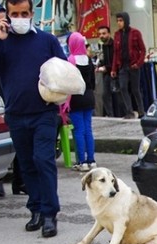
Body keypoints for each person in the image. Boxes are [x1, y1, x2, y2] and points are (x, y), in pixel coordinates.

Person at [0, 0, 66, 237]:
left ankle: (50, 214)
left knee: (43, 161)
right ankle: (36, 209)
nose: (20, 17)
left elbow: (64, 71)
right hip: (16, 114)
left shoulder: (47, 41)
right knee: (27, 165)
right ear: (7, 16)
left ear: (32, 14)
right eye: (14, 13)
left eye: (24, 13)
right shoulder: (1, 43)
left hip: (44, 113)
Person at [0, 4, 25, 197]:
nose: (2, 24)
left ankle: (20, 180)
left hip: (9, 92)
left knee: (17, 137)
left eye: (5, 19)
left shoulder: (13, 40)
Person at [61, 32, 96, 172]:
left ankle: (82, 161)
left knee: (79, 130)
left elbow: (67, 82)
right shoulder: (89, 60)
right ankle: (92, 160)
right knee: (88, 129)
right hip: (89, 97)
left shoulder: (71, 60)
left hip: (75, 98)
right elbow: (93, 83)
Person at [111, 12, 146, 119]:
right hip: (122, 66)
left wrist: (138, 63)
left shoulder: (135, 33)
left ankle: (141, 111)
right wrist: (114, 69)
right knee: (123, 88)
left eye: (121, 20)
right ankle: (129, 111)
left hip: (133, 65)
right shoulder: (117, 35)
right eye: (117, 21)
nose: (119, 23)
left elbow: (143, 50)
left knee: (135, 89)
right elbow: (116, 53)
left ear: (126, 20)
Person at [96, 25, 116, 117]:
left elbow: (115, 60)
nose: (101, 36)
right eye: (100, 34)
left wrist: (106, 68)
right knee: (105, 95)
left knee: (117, 96)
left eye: (104, 33)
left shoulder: (114, 45)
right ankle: (111, 115)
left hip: (115, 73)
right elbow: (104, 59)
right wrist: (99, 66)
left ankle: (118, 115)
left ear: (109, 34)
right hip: (106, 74)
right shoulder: (103, 46)